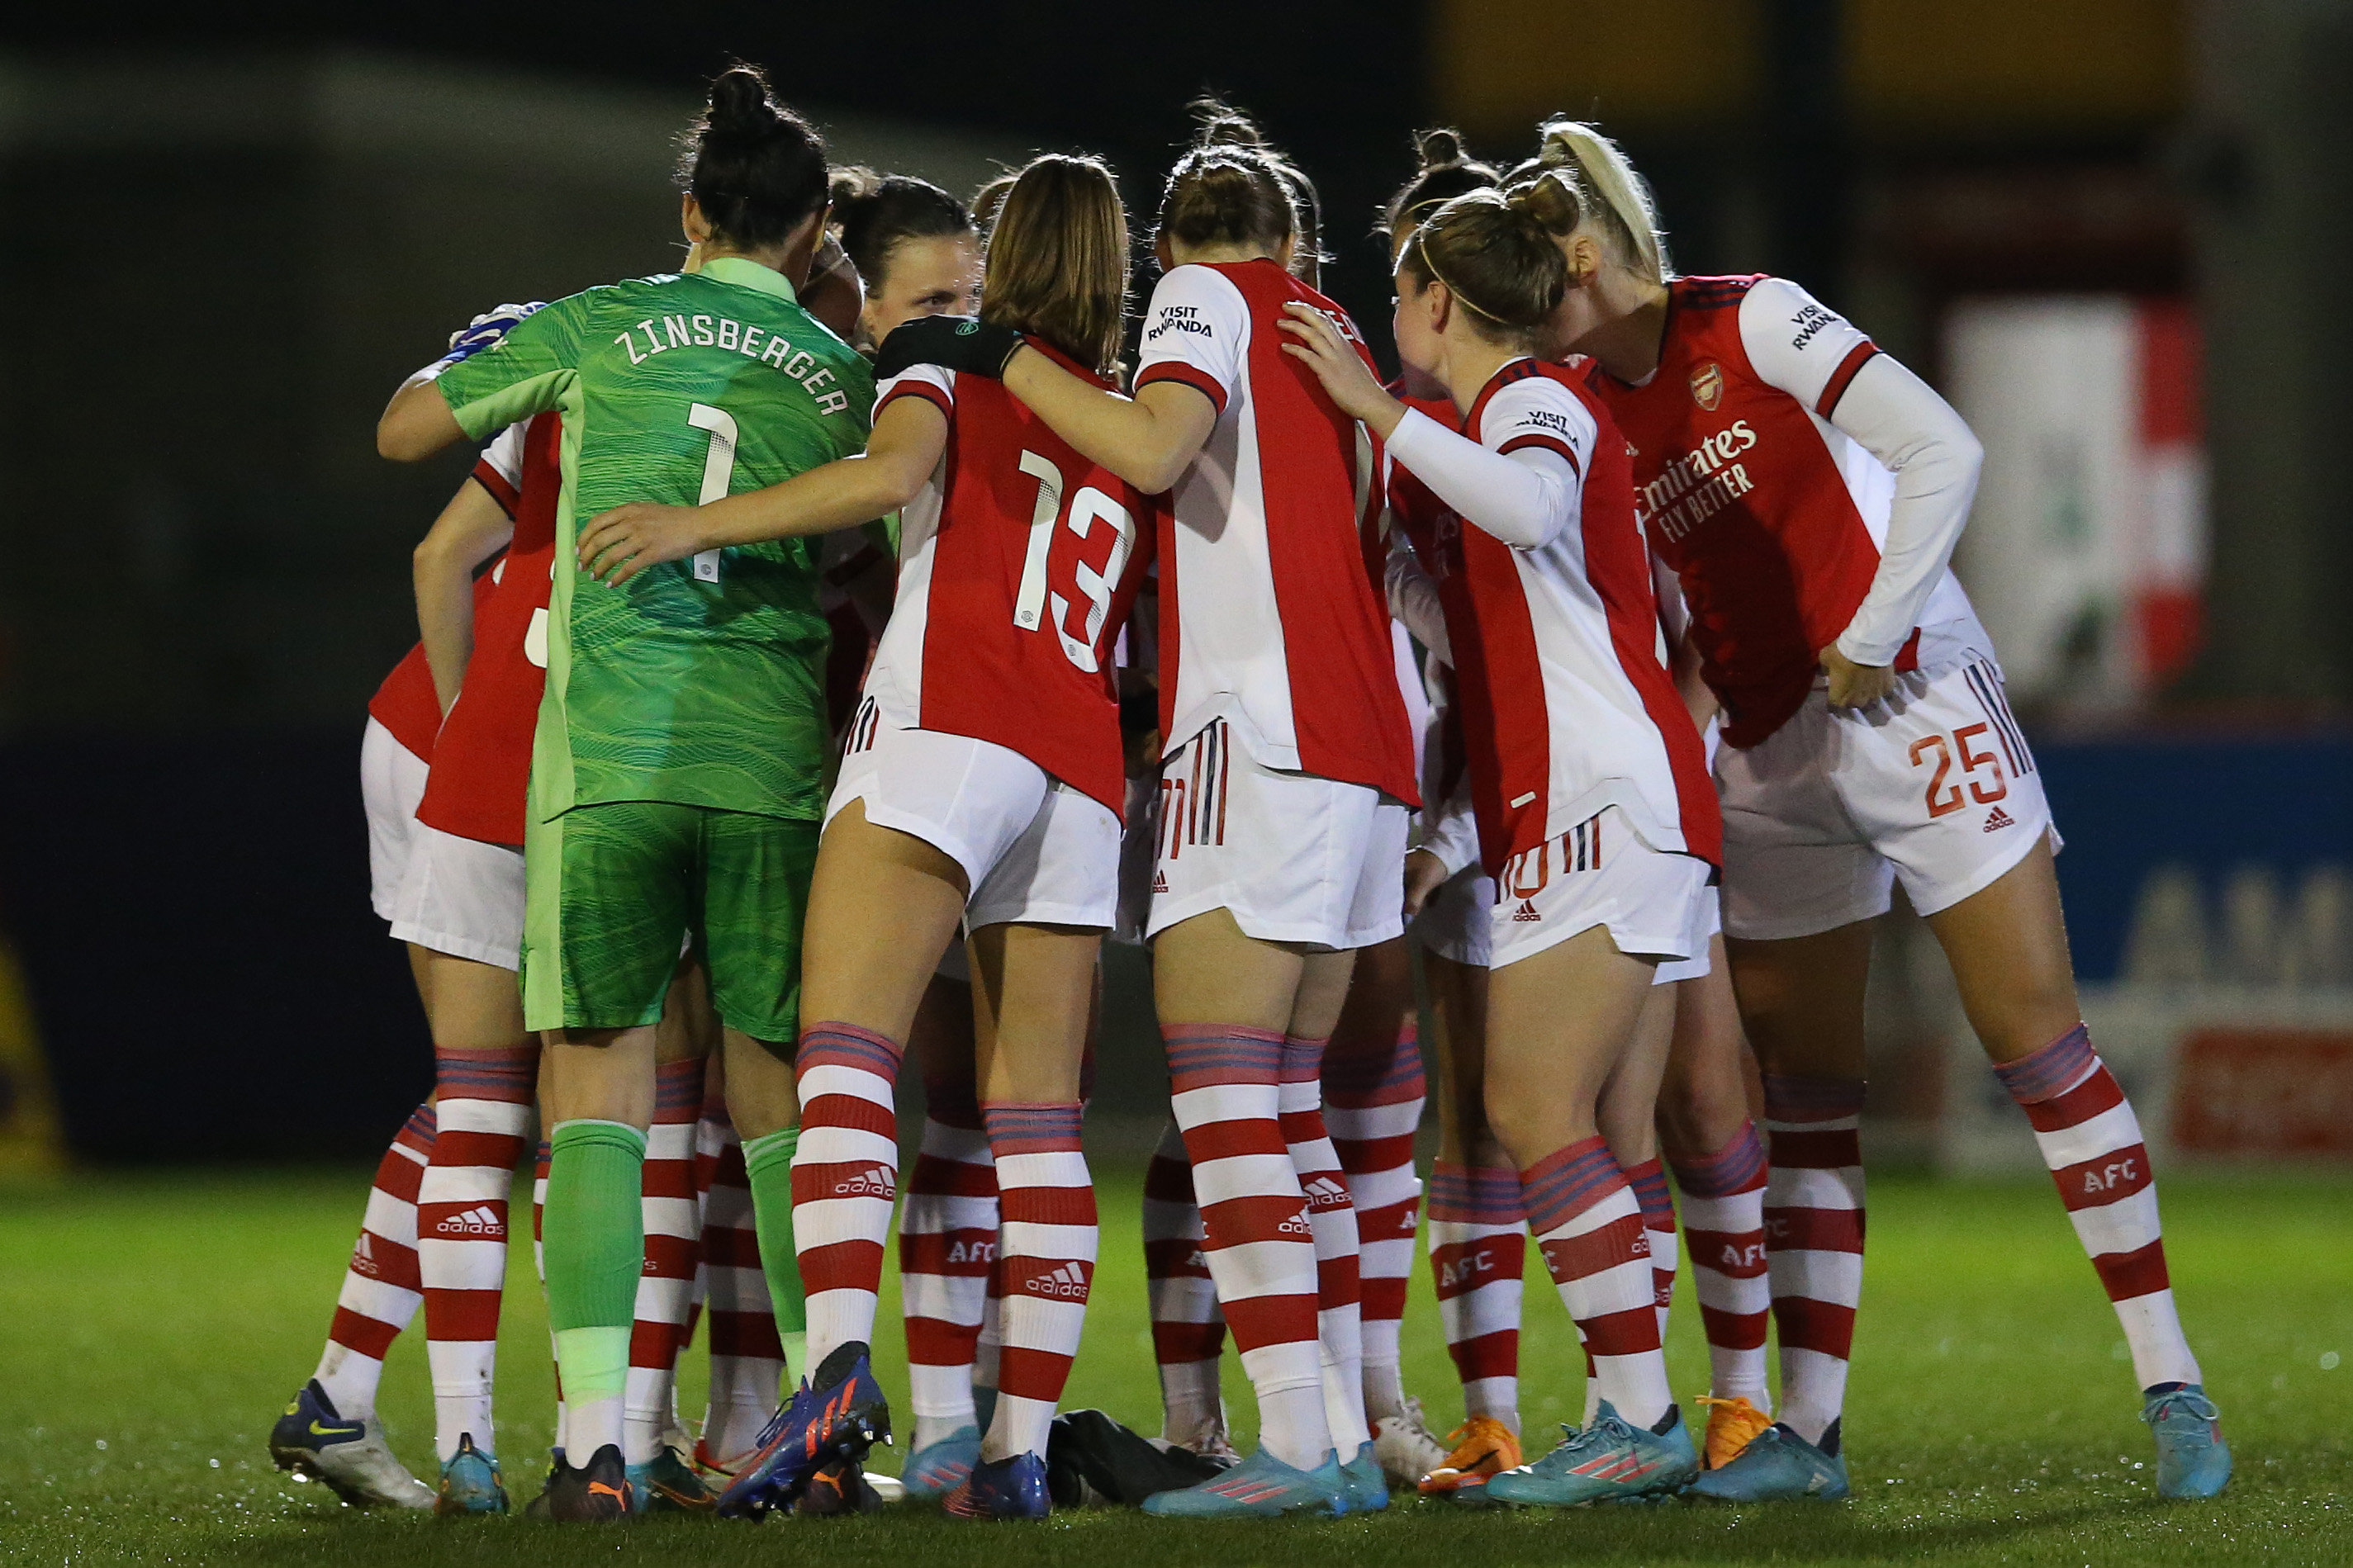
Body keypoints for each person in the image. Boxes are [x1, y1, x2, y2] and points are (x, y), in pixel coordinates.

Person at [1527, 118, 2228, 1501]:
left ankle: (2173, 1387)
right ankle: (1808, 1435)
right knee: (1812, 1101)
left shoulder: (1755, 320)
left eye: (1527, 261)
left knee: (2034, 1041)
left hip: (1907, 699)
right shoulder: (1573, 404)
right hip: (1770, 751)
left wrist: (1875, 626)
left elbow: (1942, 449)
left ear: (1590, 247)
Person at [575, 153, 1148, 1523]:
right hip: (1077, 769)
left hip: (946, 728)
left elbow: (887, 478)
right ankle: (1010, 1455)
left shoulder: (950, 359)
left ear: (1003, 260)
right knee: (1039, 1119)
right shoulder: (1127, 411)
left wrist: (690, 525)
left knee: (841, 1056)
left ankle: (834, 1368)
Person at [880, 110, 1419, 1520]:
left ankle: (1301, 1450)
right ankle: (1351, 1431)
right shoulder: (1336, 337)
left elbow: (1156, 442)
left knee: (1227, 1095)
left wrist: (992, 353)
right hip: (1369, 754)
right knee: (1294, 1110)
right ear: (1295, 238)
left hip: (1261, 734)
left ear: (1172, 250)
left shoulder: (1201, 299)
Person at [375, 63, 871, 1523]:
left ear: (687, 211)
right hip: (772, 759)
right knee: (774, 1090)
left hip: (610, 762)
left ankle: (599, 1448)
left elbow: (406, 433)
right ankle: (817, 1431)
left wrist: (487, 345)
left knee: (594, 1084)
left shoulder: (599, 321)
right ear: (810, 233)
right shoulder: (845, 377)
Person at [1283, 173, 1719, 1506]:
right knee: (1569, 1118)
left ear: (1434, 301)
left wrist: (1367, 412)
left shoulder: (1528, 396)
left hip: (1608, 799)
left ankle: (1639, 1417)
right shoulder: (1490, 422)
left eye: (1401, 287)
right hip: (1574, 806)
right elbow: (1478, 593)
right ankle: (1630, 1414)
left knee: (1536, 1109)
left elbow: (1526, 512)